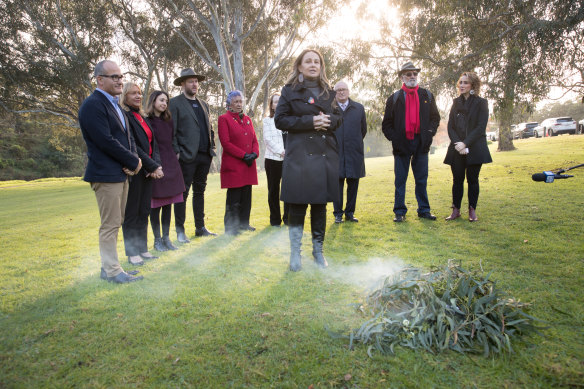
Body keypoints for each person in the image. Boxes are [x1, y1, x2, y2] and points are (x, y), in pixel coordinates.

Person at [274, 49, 342, 271]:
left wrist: (328, 121)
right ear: (300, 66)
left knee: (320, 204)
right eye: (308, 61)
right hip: (299, 155)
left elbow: (339, 118)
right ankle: (295, 255)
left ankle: (318, 251)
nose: (313, 65)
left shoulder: (328, 92)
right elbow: (280, 120)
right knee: (297, 204)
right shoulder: (288, 91)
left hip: (324, 154)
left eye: (317, 62)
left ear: (321, 67)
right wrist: (310, 121)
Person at [78, 59, 143, 283]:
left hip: (120, 172)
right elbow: (105, 140)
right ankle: (112, 271)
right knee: (110, 224)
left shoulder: (115, 105)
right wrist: (132, 161)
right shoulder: (93, 105)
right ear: (100, 79)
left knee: (117, 221)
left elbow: (127, 137)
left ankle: (111, 267)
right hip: (105, 174)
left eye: (120, 76)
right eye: (114, 77)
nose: (119, 80)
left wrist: (133, 159)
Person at [382, 61, 440, 222]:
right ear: (402, 77)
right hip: (402, 145)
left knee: (421, 179)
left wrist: (428, 134)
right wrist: (396, 139)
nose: (412, 76)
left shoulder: (427, 95)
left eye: (414, 73)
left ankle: (424, 210)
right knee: (400, 180)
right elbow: (386, 124)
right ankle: (399, 212)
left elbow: (435, 119)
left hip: (422, 143)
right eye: (409, 74)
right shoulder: (394, 98)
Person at [170, 68, 217, 242]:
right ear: (182, 84)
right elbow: (171, 131)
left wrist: (212, 148)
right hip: (186, 157)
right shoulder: (174, 103)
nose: (194, 84)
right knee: (182, 194)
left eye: (196, 81)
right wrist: (177, 151)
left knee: (200, 192)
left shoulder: (204, 104)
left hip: (204, 156)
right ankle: (180, 231)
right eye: (190, 81)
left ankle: (200, 227)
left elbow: (210, 128)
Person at [120, 82, 163, 266]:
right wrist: (152, 166)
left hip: (147, 172)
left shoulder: (142, 117)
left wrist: (156, 166)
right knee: (132, 212)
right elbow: (134, 147)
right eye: (132, 94)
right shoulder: (125, 116)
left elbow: (154, 145)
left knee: (144, 211)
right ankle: (132, 253)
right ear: (125, 97)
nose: (137, 96)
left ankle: (143, 249)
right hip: (134, 170)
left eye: (139, 93)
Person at [443, 72, 492, 222]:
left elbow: (480, 127)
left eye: (465, 82)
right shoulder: (455, 102)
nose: (462, 85)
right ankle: (455, 210)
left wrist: (466, 143)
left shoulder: (481, 103)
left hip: (475, 148)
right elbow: (450, 126)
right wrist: (458, 144)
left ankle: (472, 210)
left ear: (473, 85)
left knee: (473, 180)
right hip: (456, 148)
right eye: (461, 82)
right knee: (457, 180)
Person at [145, 91, 186, 250]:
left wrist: (176, 155)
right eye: (161, 100)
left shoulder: (168, 120)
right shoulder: (147, 121)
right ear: (153, 100)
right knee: (155, 205)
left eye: (166, 101)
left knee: (168, 203)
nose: (164, 104)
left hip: (171, 164)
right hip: (156, 164)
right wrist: (152, 165)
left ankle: (166, 239)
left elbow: (172, 140)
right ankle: (157, 240)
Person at [218, 90, 259, 235]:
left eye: (240, 101)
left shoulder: (247, 119)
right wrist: (243, 155)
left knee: (246, 195)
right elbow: (226, 143)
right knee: (234, 197)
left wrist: (254, 153)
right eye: (235, 101)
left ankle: (244, 223)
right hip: (235, 164)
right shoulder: (224, 119)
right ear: (229, 104)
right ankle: (231, 227)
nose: (239, 104)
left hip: (248, 164)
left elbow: (254, 139)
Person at [332, 81, 367, 224]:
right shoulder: (330, 109)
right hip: (335, 153)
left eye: (344, 89)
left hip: (354, 152)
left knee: (353, 184)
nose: (341, 92)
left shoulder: (358, 108)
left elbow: (363, 130)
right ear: (335, 93)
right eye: (338, 90)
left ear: (348, 91)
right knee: (337, 186)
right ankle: (338, 214)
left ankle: (350, 213)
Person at [262, 93, 289, 226]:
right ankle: (275, 220)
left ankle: (288, 218)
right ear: (271, 105)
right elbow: (267, 140)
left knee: (288, 190)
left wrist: (289, 153)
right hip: (273, 160)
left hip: (288, 160)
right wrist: (282, 151)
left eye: (280, 101)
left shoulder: (288, 119)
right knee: (273, 191)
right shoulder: (267, 121)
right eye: (275, 102)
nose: (277, 104)